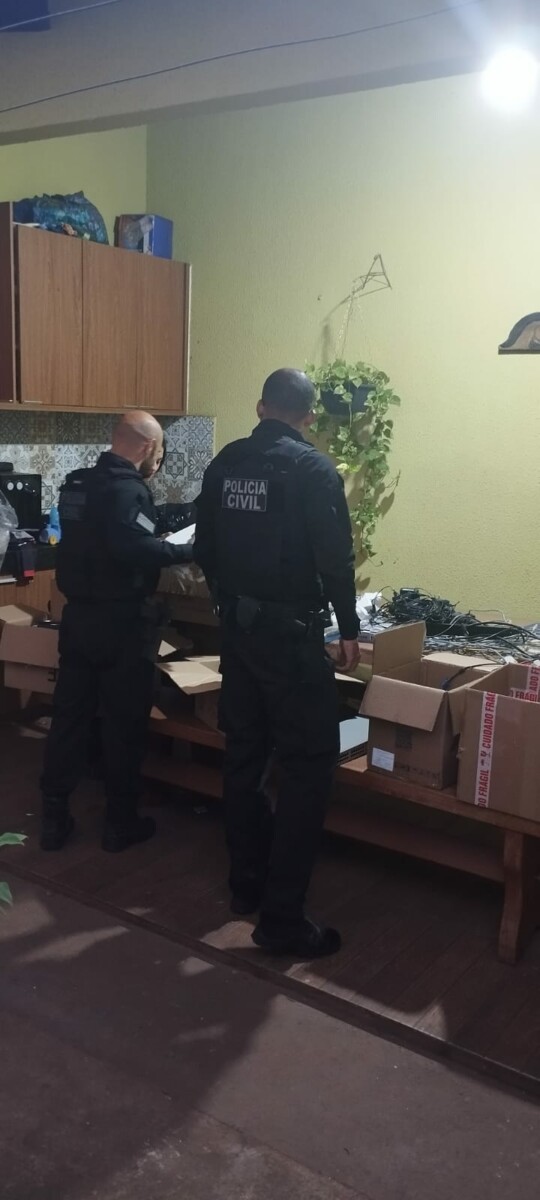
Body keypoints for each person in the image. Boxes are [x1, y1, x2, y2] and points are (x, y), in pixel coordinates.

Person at [194, 368, 360, 959]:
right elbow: (335, 559)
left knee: (243, 756)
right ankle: (283, 919)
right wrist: (349, 628)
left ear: (261, 407)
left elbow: (204, 547)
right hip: (291, 643)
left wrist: (230, 602)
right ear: (309, 416)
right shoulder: (313, 469)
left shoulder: (226, 463)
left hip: (238, 637)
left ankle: (246, 885)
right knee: (308, 767)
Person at [40, 412, 193, 853]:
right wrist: (190, 549)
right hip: (122, 624)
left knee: (69, 720)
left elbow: (105, 534)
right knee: (123, 724)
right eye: (158, 451)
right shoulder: (129, 490)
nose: (157, 460)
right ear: (147, 447)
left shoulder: (78, 483)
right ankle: (120, 823)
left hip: (78, 620)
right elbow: (135, 547)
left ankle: (53, 818)